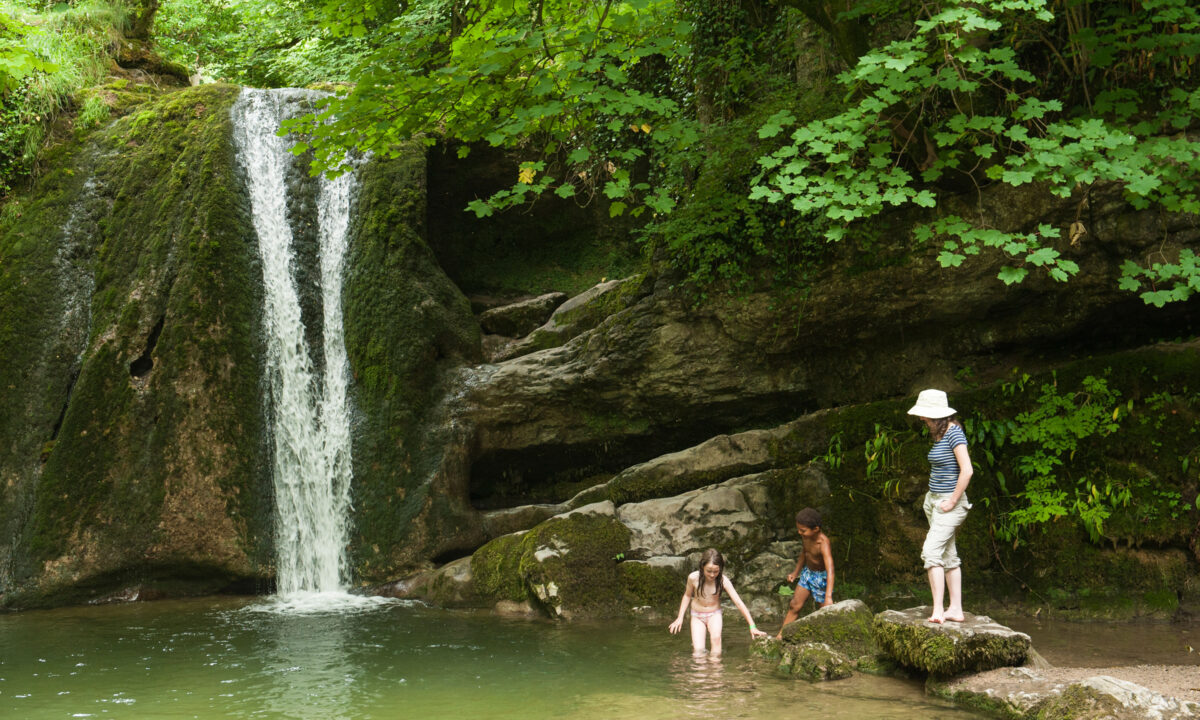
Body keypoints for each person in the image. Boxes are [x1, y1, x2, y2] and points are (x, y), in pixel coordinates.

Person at [908, 388, 974, 624]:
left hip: (950, 502)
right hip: (934, 500)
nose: (922, 419)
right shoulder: (939, 433)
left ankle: (938, 610)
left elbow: (967, 470)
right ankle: (955, 608)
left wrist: (953, 500)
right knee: (948, 554)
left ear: (937, 415)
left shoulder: (954, 433)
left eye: (925, 416)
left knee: (931, 552)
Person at [668, 548, 768, 655]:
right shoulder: (693, 578)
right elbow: (687, 596)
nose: (712, 575)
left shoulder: (723, 581)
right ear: (702, 567)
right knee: (698, 652)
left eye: (716, 571)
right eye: (709, 571)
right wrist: (680, 617)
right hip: (697, 616)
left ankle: (715, 670)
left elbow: (738, 603)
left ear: (720, 568)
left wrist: (752, 626)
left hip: (714, 614)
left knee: (716, 639)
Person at [777, 507, 834, 637]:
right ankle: (781, 636)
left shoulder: (823, 542)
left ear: (816, 529)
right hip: (807, 574)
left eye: (803, 530)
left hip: (821, 578)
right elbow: (804, 553)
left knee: (825, 611)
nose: (799, 533)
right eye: (798, 529)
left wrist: (828, 596)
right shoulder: (806, 537)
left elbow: (830, 569)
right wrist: (795, 572)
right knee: (794, 605)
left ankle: (828, 640)